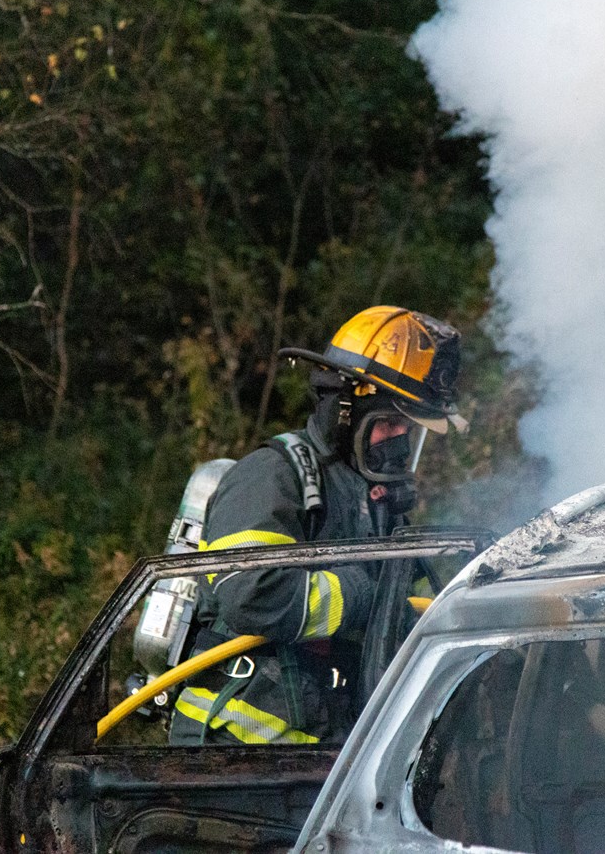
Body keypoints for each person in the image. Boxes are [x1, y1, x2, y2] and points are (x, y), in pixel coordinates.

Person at [168, 305, 467, 745]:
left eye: (409, 429)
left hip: (317, 752)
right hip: (231, 751)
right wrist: (362, 594)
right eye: (389, 423)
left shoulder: (371, 501)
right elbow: (251, 594)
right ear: (345, 412)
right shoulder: (271, 476)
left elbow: (415, 602)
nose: (400, 442)